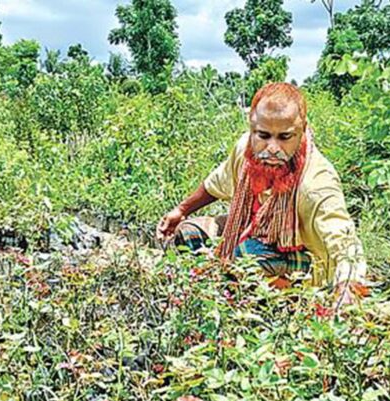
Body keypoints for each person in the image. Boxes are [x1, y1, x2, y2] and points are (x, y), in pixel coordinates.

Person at [156, 82, 366, 303]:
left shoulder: (316, 183)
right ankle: (214, 293)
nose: (273, 148)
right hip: (252, 230)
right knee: (189, 233)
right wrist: (181, 210)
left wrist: (347, 293)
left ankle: (266, 307)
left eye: (285, 137)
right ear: (252, 129)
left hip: (300, 255)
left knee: (246, 255)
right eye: (264, 136)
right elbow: (217, 181)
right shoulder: (245, 151)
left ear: (302, 130)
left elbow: (344, 244)